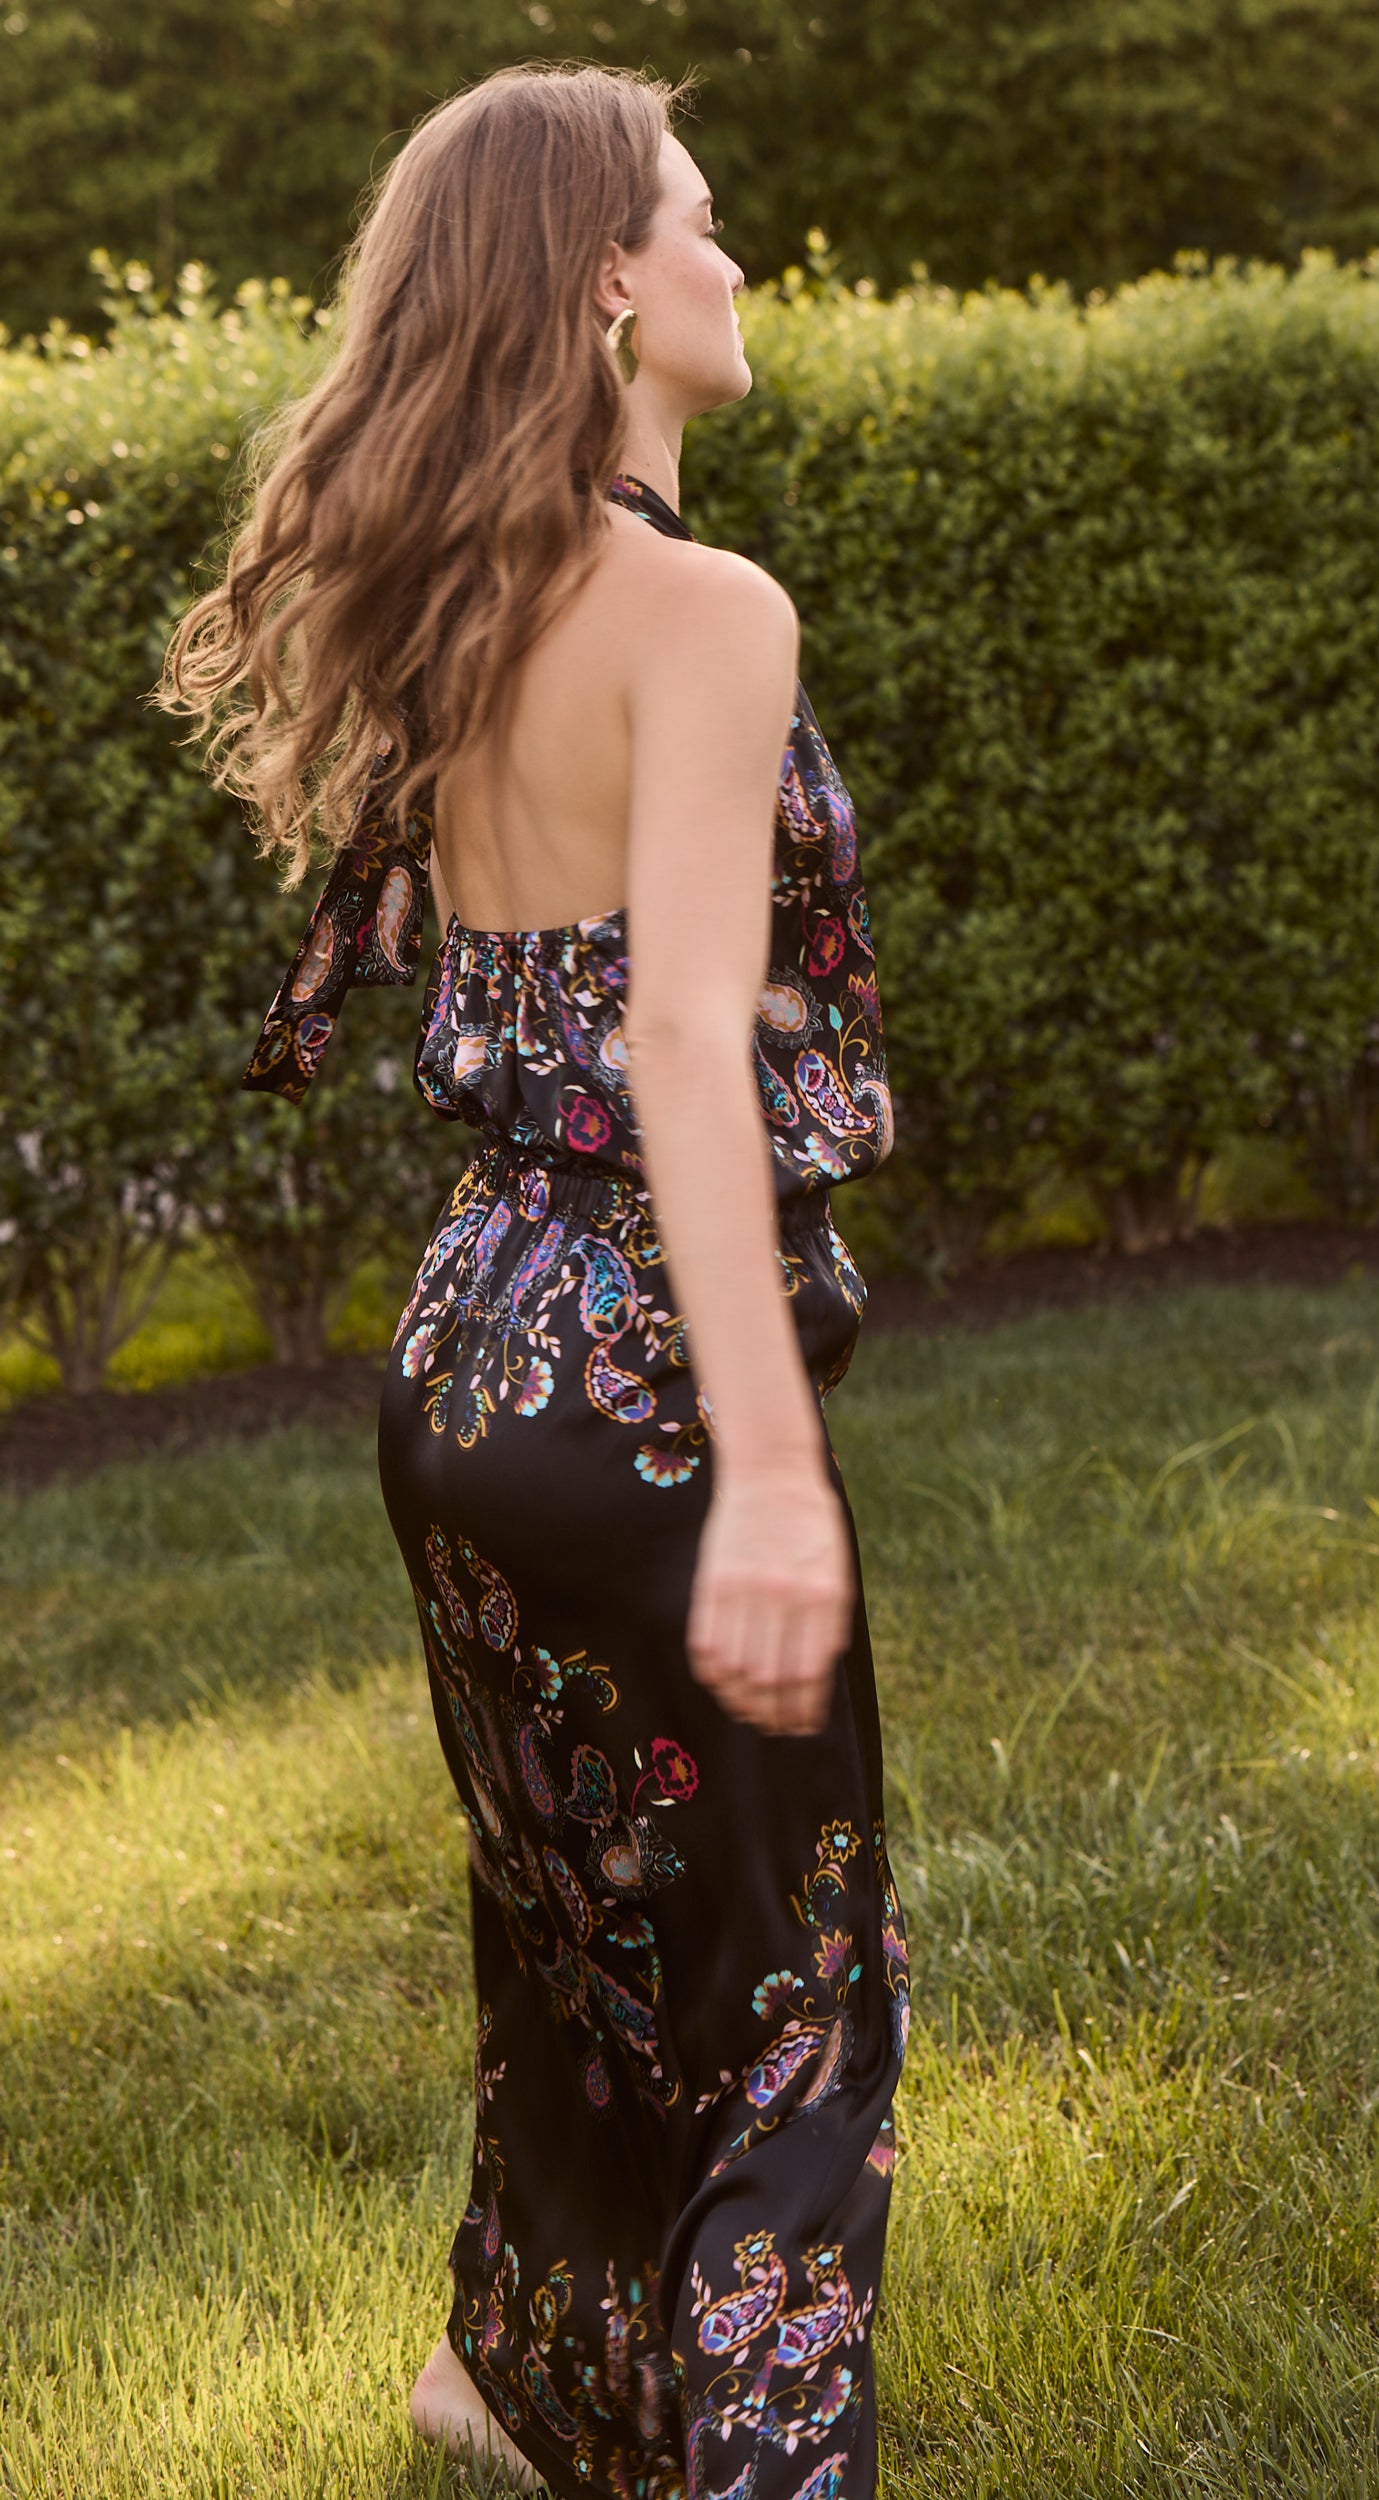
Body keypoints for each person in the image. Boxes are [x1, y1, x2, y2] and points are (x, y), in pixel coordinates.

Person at [161, 63, 908, 2500]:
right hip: (638, 1371)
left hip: (466, 1353)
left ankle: (509, 2378)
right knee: (794, 1999)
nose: (732, 258)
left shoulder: (480, 609)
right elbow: (685, 1041)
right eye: (699, 219)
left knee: (576, 1928)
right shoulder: (702, 608)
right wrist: (767, 1466)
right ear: (605, 282)